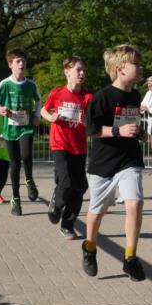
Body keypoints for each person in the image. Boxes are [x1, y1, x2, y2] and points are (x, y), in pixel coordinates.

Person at [82, 45, 148, 281]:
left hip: (129, 160)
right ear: (120, 69)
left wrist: (140, 133)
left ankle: (130, 258)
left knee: (135, 203)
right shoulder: (102, 97)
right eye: (136, 64)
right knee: (97, 211)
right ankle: (89, 247)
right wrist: (119, 130)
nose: (141, 68)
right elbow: (92, 130)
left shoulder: (135, 96)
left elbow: (129, 125)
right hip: (103, 163)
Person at [41, 56, 93, 239]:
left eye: (84, 70)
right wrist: (51, 118)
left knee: (80, 187)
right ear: (67, 72)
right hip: (60, 144)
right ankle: (56, 203)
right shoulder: (57, 93)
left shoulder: (87, 97)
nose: (82, 73)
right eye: (78, 69)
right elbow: (43, 110)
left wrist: (85, 121)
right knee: (66, 182)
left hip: (79, 147)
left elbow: (93, 124)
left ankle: (67, 224)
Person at [0, 49, 41, 216]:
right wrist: (1, 110)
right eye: (18, 61)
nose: (22, 64)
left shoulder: (31, 85)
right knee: (14, 163)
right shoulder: (5, 84)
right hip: (10, 128)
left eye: (23, 61)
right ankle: (16, 198)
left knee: (26, 155)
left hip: (26, 126)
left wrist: (36, 114)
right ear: (10, 64)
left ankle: (29, 180)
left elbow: (38, 100)